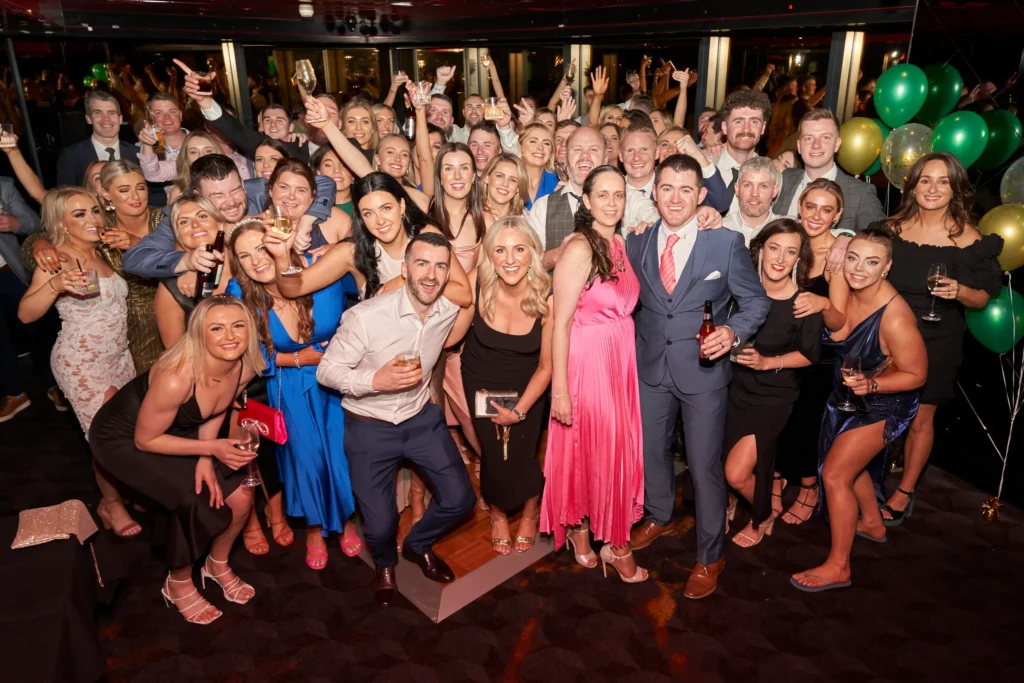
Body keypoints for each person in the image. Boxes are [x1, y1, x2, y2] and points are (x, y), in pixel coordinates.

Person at [625, 154, 769, 599]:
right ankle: (659, 515)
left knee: (706, 468)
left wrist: (731, 331)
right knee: (653, 454)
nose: (675, 198)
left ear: (702, 195)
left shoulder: (724, 243)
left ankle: (710, 556)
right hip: (649, 368)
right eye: (666, 187)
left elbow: (756, 303)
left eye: (686, 189)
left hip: (704, 375)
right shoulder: (637, 241)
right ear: (654, 191)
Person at [316, 232, 477, 606]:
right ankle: (384, 564)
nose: (431, 275)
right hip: (368, 426)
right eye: (422, 263)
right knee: (381, 522)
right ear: (404, 268)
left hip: (420, 419)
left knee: (460, 498)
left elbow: (467, 303)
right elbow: (328, 371)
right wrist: (375, 381)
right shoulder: (365, 317)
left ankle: (418, 545)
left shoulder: (446, 311)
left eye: (440, 266)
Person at [89, 296, 264, 624]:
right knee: (193, 500)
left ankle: (217, 564)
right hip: (123, 438)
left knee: (242, 495)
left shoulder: (242, 363)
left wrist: (204, 453)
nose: (230, 336)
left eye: (238, 325)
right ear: (199, 334)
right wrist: (209, 450)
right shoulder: (176, 376)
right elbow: (145, 439)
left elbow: (216, 407)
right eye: (217, 328)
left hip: (179, 429)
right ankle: (178, 581)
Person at [791, 227, 927, 592]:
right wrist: (825, 303)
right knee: (849, 462)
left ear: (887, 267)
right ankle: (873, 522)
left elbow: (917, 374)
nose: (858, 268)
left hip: (884, 402)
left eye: (871, 262)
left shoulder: (895, 316)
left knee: (835, 475)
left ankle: (839, 566)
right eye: (853, 258)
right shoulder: (848, 287)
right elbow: (838, 330)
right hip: (849, 393)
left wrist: (874, 385)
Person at [227, 222, 362, 569]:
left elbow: (369, 287)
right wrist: (301, 358)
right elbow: (247, 352)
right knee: (308, 460)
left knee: (341, 455)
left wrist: (338, 247)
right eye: (244, 256)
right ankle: (316, 529)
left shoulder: (323, 272)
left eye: (261, 247)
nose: (256, 260)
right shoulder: (241, 294)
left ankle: (344, 520)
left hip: (338, 381)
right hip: (289, 384)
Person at [880, 153, 1003, 526]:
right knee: (876, 415)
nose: (933, 189)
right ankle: (867, 478)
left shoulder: (969, 239)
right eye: (925, 180)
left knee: (922, 416)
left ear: (955, 189)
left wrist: (960, 291)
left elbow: (983, 296)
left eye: (943, 181)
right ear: (913, 186)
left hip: (939, 337)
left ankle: (905, 491)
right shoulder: (891, 229)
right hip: (888, 335)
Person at [542, 165, 648, 583]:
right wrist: (561, 392)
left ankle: (582, 532)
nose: (610, 202)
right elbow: (561, 323)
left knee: (602, 450)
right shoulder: (580, 248)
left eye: (618, 195)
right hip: (586, 363)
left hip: (619, 361)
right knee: (596, 448)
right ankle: (616, 548)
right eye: (601, 195)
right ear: (585, 202)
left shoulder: (618, 242)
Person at [18, 188, 138, 535]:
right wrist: (54, 284)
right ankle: (111, 506)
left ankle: (125, 489)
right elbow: (26, 315)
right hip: (82, 361)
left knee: (126, 431)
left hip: (118, 355)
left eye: (95, 211)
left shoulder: (104, 252)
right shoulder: (56, 259)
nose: (92, 219)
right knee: (105, 437)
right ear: (61, 222)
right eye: (79, 214)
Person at [723, 219, 822, 547]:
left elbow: (809, 355)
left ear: (798, 259)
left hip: (773, 395)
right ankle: (739, 501)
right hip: (733, 388)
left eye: (790, 252)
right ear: (760, 250)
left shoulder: (803, 303)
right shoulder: (739, 290)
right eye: (774, 248)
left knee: (736, 473)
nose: (780, 258)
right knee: (723, 461)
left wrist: (768, 363)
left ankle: (763, 513)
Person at [461, 216, 552, 554]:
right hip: (481, 382)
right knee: (493, 455)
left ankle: (530, 512)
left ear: (533, 253)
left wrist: (520, 409)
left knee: (525, 454)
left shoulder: (547, 295)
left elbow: (547, 367)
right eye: (500, 250)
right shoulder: (476, 283)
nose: (510, 259)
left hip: (528, 384)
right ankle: (498, 514)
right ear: (489, 255)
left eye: (519, 249)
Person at [118, 154, 334, 280]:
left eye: (235, 190)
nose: (231, 202)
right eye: (217, 196)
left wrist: (309, 219)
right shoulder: (182, 214)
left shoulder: (258, 188)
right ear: (197, 196)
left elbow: (323, 182)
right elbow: (134, 259)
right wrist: (187, 261)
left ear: (243, 182)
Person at [776, 179, 851, 523]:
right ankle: (775, 479)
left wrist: (822, 302)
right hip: (780, 349)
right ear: (800, 207)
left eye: (826, 210)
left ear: (838, 215)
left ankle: (809, 487)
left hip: (818, 358)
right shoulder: (789, 243)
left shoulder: (838, 257)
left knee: (806, 425)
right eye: (810, 207)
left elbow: (839, 323)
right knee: (777, 421)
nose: (816, 216)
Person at [528, 127, 662, 269]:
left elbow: (659, 225)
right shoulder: (544, 206)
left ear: (605, 159)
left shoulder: (628, 198)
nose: (584, 156)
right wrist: (557, 255)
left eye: (593, 149)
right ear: (566, 158)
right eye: (577, 149)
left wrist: (650, 229)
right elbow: (528, 261)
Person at [0, 175, 62, 421]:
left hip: (9, 273)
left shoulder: (3, 185)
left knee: (38, 329)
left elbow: (34, 223)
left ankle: (55, 384)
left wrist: (14, 222)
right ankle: (15, 393)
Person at [773, 109, 886, 238]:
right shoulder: (785, 179)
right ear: (799, 146)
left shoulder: (860, 193)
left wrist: (848, 238)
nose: (816, 145)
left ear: (837, 144)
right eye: (808, 138)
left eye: (825, 137)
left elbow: (881, 240)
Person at [623, 125, 731, 213]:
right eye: (665, 144)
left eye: (679, 144)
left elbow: (721, 204)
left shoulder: (689, 188)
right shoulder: (619, 185)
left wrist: (699, 156)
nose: (671, 150)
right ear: (656, 152)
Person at [56, 91, 140, 187]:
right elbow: (65, 197)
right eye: (98, 113)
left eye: (111, 113)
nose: (106, 119)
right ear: (88, 119)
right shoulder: (71, 156)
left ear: (120, 119)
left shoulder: (137, 154)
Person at [711, 90, 772, 212]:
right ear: (724, 127)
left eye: (754, 121)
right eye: (739, 121)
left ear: (763, 128)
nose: (746, 129)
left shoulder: (772, 174)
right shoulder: (704, 166)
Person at [138, 130, 223, 204]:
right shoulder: (179, 193)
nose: (201, 156)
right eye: (193, 152)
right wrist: (148, 144)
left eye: (208, 151)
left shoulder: (231, 182)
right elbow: (152, 173)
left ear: (218, 154)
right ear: (186, 158)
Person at [723, 156, 784, 246]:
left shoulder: (787, 231)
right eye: (747, 185)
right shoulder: (721, 228)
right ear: (737, 189)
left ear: (774, 191)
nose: (754, 193)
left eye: (763, 186)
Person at [517, 123, 558, 210]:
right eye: (533, 141)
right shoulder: (510, 179)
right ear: (520, 147)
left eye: (546, 143)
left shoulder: (557, 183)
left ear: (551, 152)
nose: (540, 147)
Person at [481, 154, 529, 228]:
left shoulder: (526, 219)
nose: (505, 184)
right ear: (487, 178)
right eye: (499, 176)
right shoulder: (471, 214)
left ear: (518, 188)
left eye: (513, 180)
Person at [310, 144, 355, 216]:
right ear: (318, 172)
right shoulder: (308, 205)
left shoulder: (364, 203)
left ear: (353, 174)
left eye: (344, 165)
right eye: (328, 165)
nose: (337, 170)